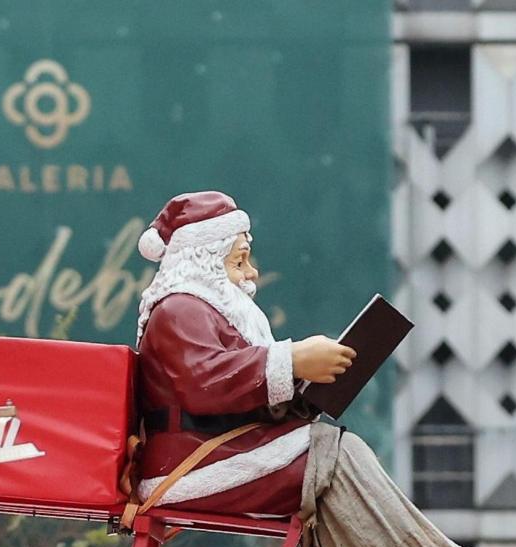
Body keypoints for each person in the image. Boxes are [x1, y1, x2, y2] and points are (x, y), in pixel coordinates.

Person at [126, 191, 352, 518]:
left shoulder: (212, 314)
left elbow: (237, 392)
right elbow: (208, 383)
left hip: (223, 448)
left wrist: (303, 392)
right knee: (337, 458)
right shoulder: (179, 310)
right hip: (191, 463)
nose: (251, 273)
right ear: (205, 262)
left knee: (336, 454)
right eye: (239, 261)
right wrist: (292, 360)